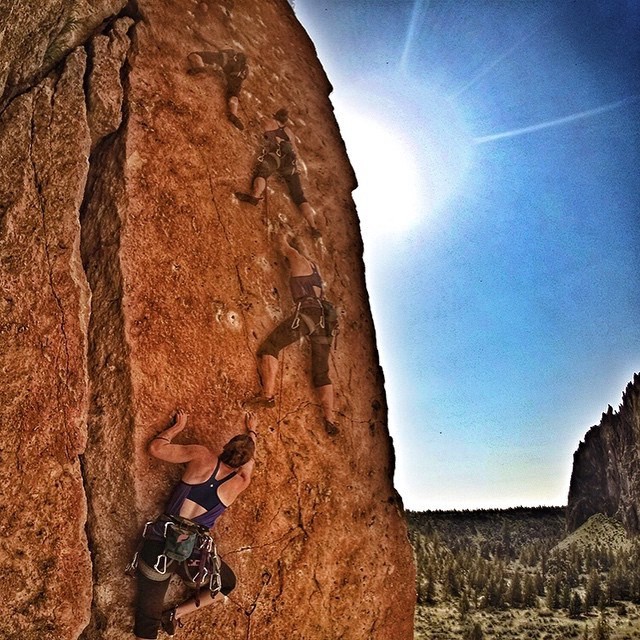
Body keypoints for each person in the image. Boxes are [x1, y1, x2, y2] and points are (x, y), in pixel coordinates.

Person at [132, 410, 257, 639]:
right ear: (245, 463)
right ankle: (175, 613)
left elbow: (156, 448)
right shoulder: (240, 482)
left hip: (160, 542)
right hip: (193, 554)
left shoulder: (201, 455)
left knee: (146, 618)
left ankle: (162, 618)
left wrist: (176, 427)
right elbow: (249, 465)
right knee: (226, 584)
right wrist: (252, 431)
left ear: (225, 446)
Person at [245, 234, 338, 435]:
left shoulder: (298, 259)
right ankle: (329, 418)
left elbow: (283, 245)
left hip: (309, 312)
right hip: (325, 320)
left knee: (270, 347)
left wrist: (284, 237)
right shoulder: (315, 268)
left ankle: (267, 395)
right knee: (321, 372)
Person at [235, 109, 321, 238]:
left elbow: (259, 129)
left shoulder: (269, 122)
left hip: (275, 157)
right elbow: (295, 152)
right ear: (285, 121)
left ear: (275, 115)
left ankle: (254, 196)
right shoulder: (290, 133)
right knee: (299, 196)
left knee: (262, 174)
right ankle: (313, 227)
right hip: (290, 165)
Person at [187, 49, 247, 130]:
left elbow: (221, 54)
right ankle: (234, 114)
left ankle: (200, 68)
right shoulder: (244, 68)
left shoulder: (228, 54)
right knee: (233, 95)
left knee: (194, 54)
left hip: (226, 60)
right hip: (239, 75)